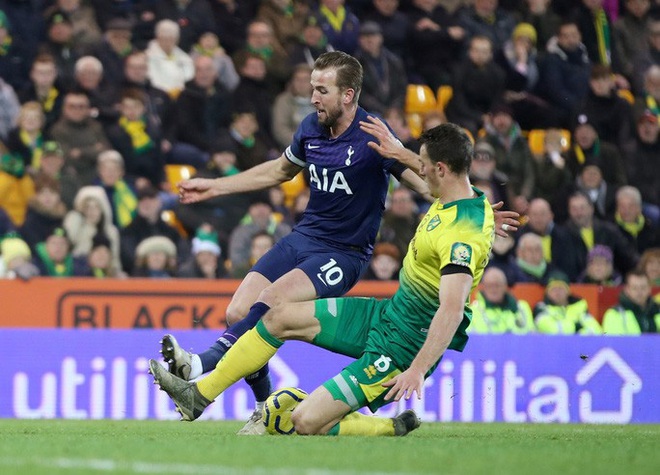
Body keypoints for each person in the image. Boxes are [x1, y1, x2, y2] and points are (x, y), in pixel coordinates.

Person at [158, 51, 518, 434]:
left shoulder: (372, 134)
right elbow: (280, 170)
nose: (313, 97)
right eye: (312, 88)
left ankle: (201, 367)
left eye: (321, 90)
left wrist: (471, 206)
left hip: (343, 253)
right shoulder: (311, 128)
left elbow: (429, 182)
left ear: (348, 95)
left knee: (272, 304)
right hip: (306, 236)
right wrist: (215, 186)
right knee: (238, 312)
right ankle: (263, 405)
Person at [533, 270, 603, 334]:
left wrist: (577, 337)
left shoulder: (579, 306)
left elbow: (596, 330)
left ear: (568, 291)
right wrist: (576, 326)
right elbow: (552, 329)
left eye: (561, 289)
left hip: (577, 346)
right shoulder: (541, 308)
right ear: (547, 292)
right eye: (553, 289)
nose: (557, 292)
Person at [470, 266, 535, 334]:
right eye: (490, 285)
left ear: (505, 286)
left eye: (497, 285)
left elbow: (531, 335)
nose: (494, 290)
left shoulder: (522, 308)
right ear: (483, 287)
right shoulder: (473, 311)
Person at [602, 269, 660, 334]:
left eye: (643, 287)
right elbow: (612, 342)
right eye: (634, 288)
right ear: (627, 290)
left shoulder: (657, 311)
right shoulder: (614, 314)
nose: (639, 292)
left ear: (649, 288)